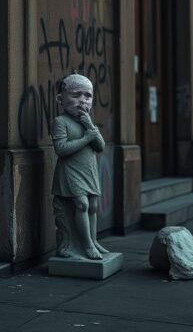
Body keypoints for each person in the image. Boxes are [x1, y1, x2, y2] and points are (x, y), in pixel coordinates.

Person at [51, 73, 109, 260]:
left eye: (87, 96)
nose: (82, 101)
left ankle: (93, 240)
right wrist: (86, 138)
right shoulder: (60, 122)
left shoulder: (87, 123)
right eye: (76, 95)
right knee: (82, 204)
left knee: (92, 205)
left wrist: (89, 125)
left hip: (88, 169)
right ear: (61, 99)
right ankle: (86, 245)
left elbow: (100, 146)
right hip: (70, 171)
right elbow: (61, 149)